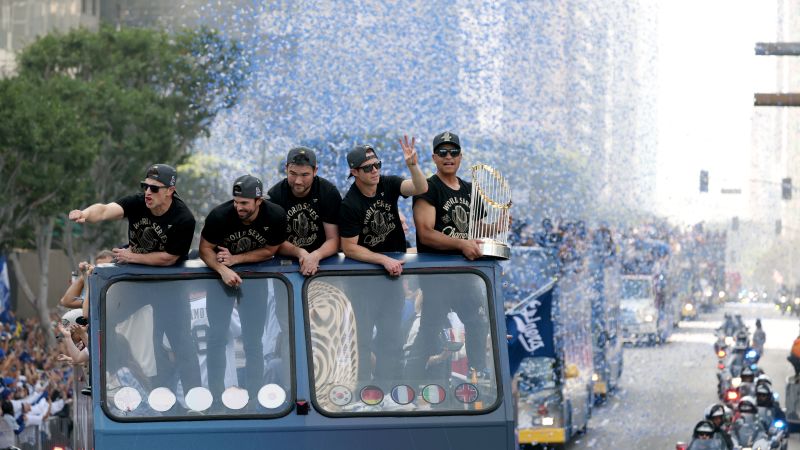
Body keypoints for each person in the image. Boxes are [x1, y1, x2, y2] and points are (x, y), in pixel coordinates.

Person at [68, 163, 201, 394]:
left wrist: (134, 256)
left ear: (170, 190)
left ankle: (195, 397)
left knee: (180, 342)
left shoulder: (183, 218)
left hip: (168, 286)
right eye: (145, 186)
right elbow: (105, 209)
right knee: (102, 318)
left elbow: (169, 259)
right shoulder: (138, 202)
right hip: (137, 282)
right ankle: (103, 378)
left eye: (154, 188)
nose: (148, 192)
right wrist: (85, 214)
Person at [337, 138, 426, 386]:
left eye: (377, 165)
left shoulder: (388, 183)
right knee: (362, 339)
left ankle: (390, 390)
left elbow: (420, 188)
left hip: (391, 278)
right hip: (363, 282)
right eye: (367, 168)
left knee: (392, 338)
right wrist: (382, 259)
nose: (375, 170)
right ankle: (364, 390)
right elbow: (350, 248)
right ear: (354, 172)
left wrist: (413, 165)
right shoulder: (350, 204)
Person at [411, 131, 496, 379]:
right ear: (435, 157)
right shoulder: (427, 188)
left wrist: (498, 225)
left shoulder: (471, 190)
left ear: (461, 156)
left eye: (454, 152)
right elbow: (426, 234)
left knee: (478, 322)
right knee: (430, 330)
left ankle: (478, 372)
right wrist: (461, 245)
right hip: (438, 275)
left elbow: (477, 232)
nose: (449, 157)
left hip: (467, 275)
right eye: (443, 152)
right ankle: (409, 382)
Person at [199, 174, 288, 404]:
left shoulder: (275, 215)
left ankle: (255, 398)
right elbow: (205, 249)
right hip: (220, 279)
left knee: (253, 341)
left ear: (259, 201)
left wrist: (236, 260)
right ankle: (216, 399)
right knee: (216, 337)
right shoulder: (220, 215)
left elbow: (270, 251)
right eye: (236, 202)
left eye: (245, 203)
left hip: (255, 279)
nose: (239, 207)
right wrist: (222, 270)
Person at [268, 147, 341, 276]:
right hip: (285, 262)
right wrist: (300, 252)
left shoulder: (328, 193)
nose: (298, 181)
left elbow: (334, 239)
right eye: (293, 173)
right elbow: (275, 242)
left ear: (315, 171)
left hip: (324, 259)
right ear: (286, 169)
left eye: (304, 175)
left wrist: (316, 255)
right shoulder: (275, 196)